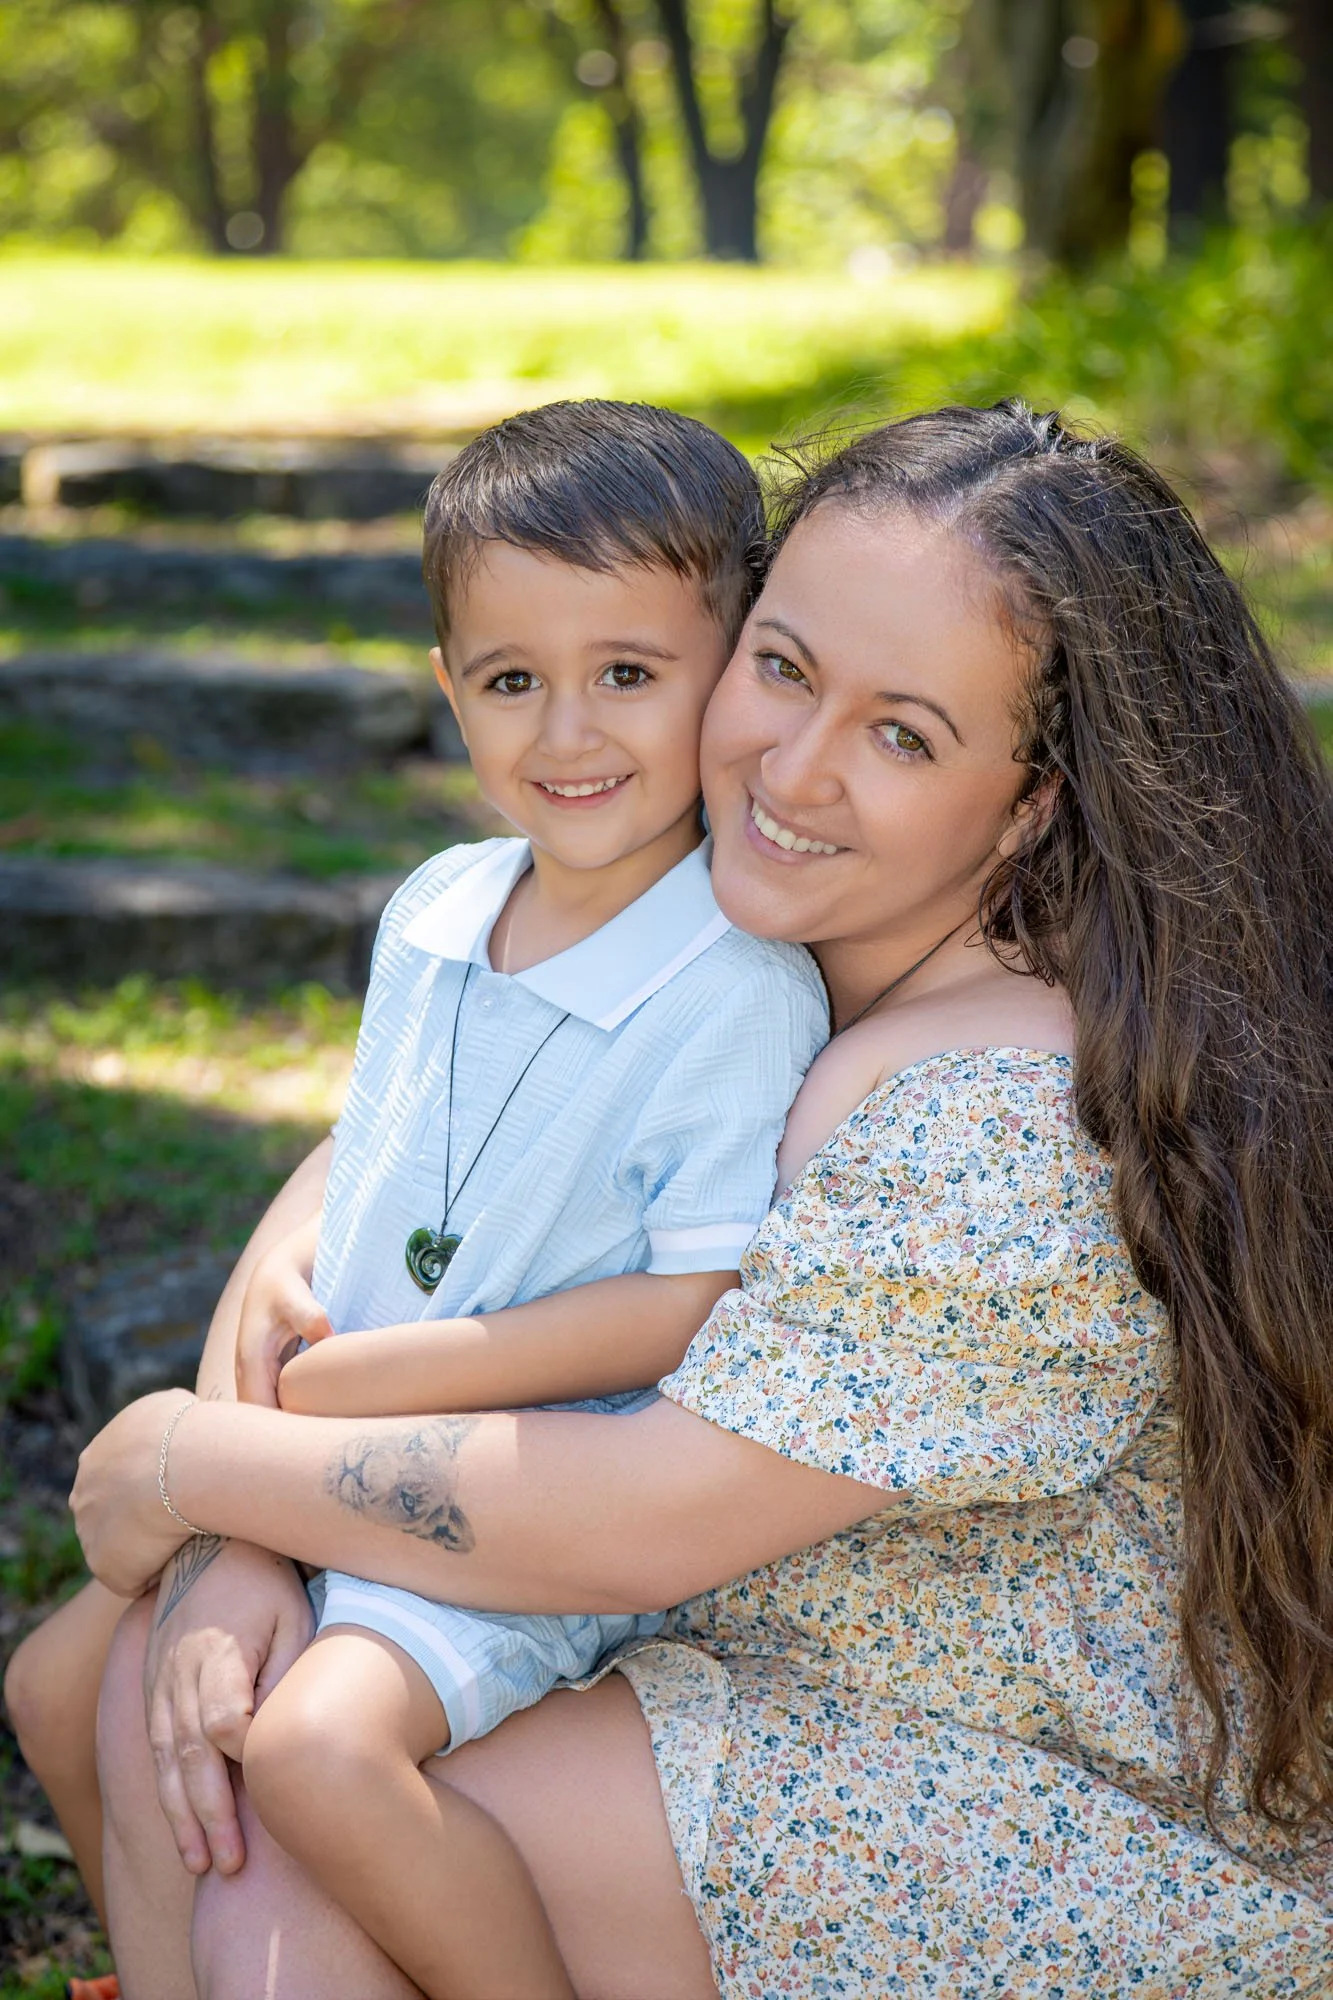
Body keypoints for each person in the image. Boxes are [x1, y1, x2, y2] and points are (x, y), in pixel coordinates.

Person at [65, 401, 1333, 1997]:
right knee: (151, 1697)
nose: (789, 770)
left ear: (1034, 803)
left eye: (904, 734)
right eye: (786, 670)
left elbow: (645, 1512)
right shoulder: (773, 929)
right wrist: (248, 1474)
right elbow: (419, 1141)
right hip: (750, 1656)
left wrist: (204, 1461)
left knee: (290, 1826)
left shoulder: (1003, 1115)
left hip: (1017, 1789)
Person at [8, 398, 828, 2000]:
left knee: (307, 1737)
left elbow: (693, 1298)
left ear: (729, 677)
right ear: (449, 690)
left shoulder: (730, 981)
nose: (568, 734)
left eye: (630, 676)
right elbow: (360, 1178)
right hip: (326, 1456)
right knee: (81, 1695)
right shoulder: (443, 906)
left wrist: (380, 1383)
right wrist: (265, 1464)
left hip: (508, 1504)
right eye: (513, 681)